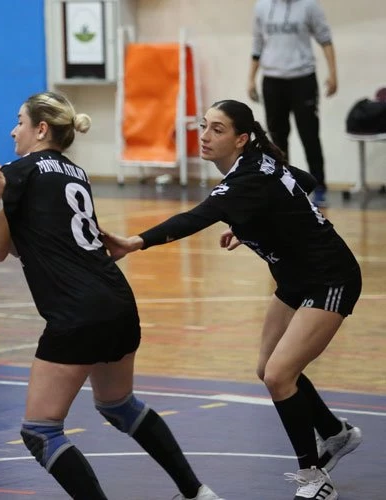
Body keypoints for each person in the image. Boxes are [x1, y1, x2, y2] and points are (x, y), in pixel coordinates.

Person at [0, 91, 224, 500]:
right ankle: (197, 492)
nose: (13, 131)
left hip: (75, 311)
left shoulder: (18, 172)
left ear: (41, 129)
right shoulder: (75, 172)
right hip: (117, 301)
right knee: (118, 404)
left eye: (19, 121)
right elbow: (28, 242)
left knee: (41, 430)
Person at [103, 99, 362, 500]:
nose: (205, 136)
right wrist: (250, 222)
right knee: (268, 368)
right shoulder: (257, 165)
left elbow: (196, 217)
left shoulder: (246, 179)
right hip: (294, 279)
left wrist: (136, 242)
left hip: (330, 278)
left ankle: (314, 477)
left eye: (217, 129)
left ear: (241, 139)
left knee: (279, 375)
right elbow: (304, 181)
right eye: (204, 126)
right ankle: (334, 433)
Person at [248, 0, 337, 207]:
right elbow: (257, 44)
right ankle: (283, 185)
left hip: (303, 78)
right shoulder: (262, 6)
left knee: (310, 135)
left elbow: (325, 39)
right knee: (276, 138)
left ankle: (319, 186)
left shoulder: (309, 6)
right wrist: (251, 78)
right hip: (272, 80)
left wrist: (333, 74)